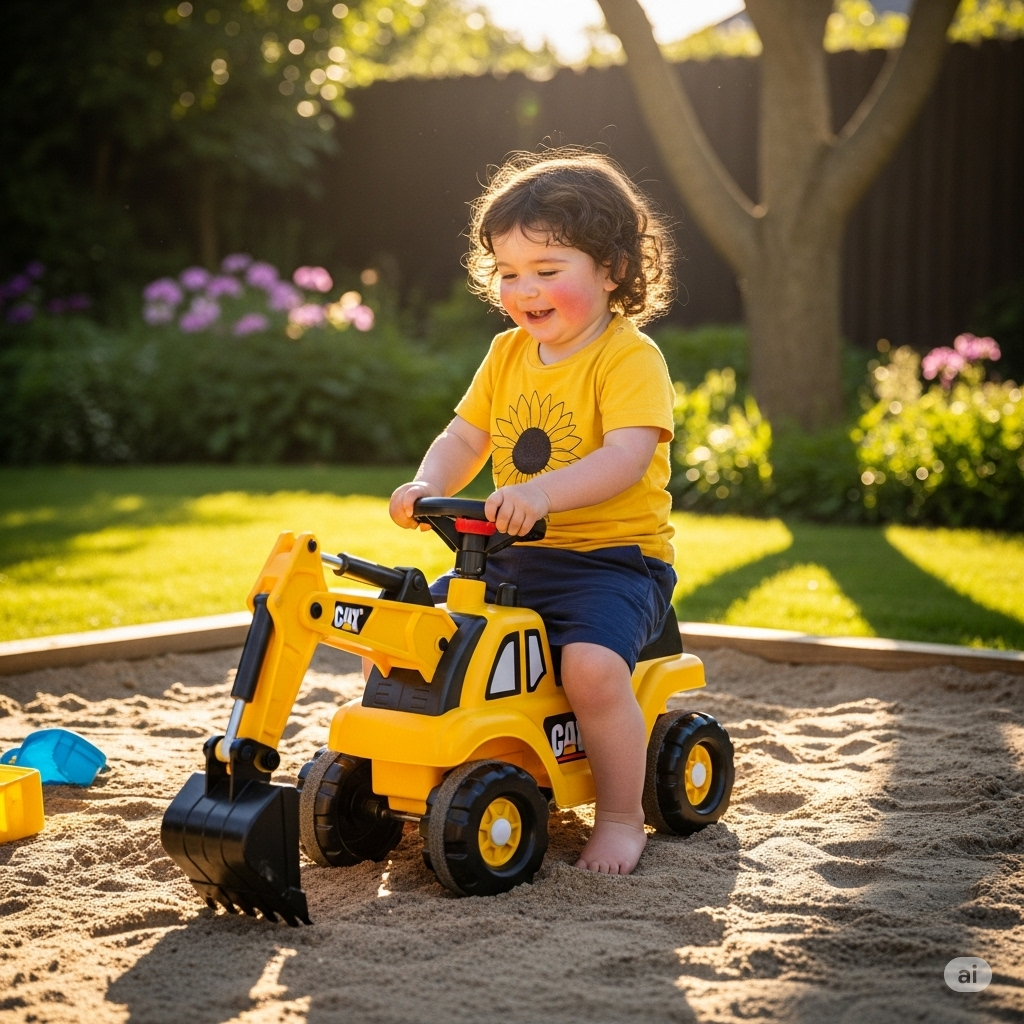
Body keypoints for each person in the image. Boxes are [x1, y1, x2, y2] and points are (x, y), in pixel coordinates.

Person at [389, 148, 677, 874]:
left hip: (611, 566)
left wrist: (543, 492)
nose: (526, 290)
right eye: (509, 273)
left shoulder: (627, 357)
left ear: (611, 269)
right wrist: (425, 485)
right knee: (423, 639)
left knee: (589, 670)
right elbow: (464, 436)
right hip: (512, 555)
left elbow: (626, 457)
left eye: (548, 272)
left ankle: (618, 817)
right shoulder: (506, 353)